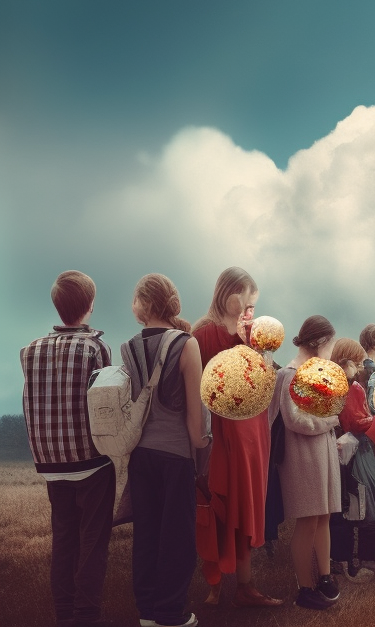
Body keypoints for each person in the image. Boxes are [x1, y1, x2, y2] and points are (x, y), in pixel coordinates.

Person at [21, 271, 115, 627]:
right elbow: (105, 404)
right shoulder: (95, 348)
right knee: (92, 541)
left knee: (63, 538)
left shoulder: (28, 350)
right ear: (90, 306)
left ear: (56, 306)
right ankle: (87, 615)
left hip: (50, 463)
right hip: (90, 460)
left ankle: (64, 615)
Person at [191, 267, 283, 607]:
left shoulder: (257, 335)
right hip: (222, 431)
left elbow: (267, 380)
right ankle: (214, 583)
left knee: (247, 505)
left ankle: (245, 585)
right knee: (218, 503)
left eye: (253, 303)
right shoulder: (203, 334)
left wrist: (258, 350)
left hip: (254, 431)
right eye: (243, 299)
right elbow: (197, 385)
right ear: (226, 293)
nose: (248, 308)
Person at [120, 274, 209, 627]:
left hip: (140, 454)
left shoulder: (127, 347)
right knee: (177, 535)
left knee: (147, 533)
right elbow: (194, 416)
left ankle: (147, 611)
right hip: (175, 455)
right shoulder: (186, 344)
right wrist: (203, 448)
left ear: (143, 304)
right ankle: (172, 612)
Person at [273, 316, 343, 610]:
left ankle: (324, 575)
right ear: (320, 342)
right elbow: (295, 420)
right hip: (302, 454)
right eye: (330, 344)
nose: (331, 350)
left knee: (324, 514)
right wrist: (330, 421)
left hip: (321, 451)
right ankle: (305, 588)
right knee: (308, 520)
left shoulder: (313, 371)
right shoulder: (289, 375)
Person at [327, 338, 375, 583]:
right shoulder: (348, 386)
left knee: (347, 505)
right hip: (349, 450)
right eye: (356, 361)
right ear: (345, 361)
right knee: (350, 505)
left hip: (342, 449)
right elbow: (355, 421)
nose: (359, 366)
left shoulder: (342, 384)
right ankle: (346, 561)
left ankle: (344, 559)